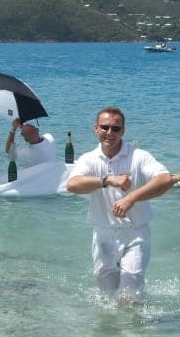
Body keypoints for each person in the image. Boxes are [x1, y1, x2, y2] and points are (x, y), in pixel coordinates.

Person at [67, 107, 174, 303]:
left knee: (129, 297)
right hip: (103, 234)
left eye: (116, 128)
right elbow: (72, 184)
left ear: (123, 131)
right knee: (107, 297)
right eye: (105, 127)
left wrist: (131, 198)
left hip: (135, 234)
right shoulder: (89, 159)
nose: (110, 133)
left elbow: (165, 179)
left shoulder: (139, 156)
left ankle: (133, 323)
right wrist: (107, 180)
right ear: (96, 129)